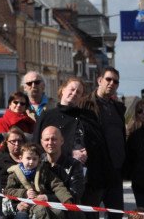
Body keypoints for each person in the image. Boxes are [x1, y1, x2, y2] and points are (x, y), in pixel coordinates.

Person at [35, 77, 113, 209]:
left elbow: (101, 145)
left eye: (79, 92)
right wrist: (70, 152)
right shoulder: (47, 116)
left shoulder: (89, 116)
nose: (74, 93)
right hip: (59, 180)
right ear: (63, 90)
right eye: (72, 89)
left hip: (91, 181)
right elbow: (37, 147)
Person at [3, 144, 74, 219]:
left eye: (34, 159)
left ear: (39, 159)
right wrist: (24, 193)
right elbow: (8, 191)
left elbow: (57, 185)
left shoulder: (44, 171)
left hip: (41, 202)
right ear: (21, 158)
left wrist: (66, 199)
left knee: (58, 212)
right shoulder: (14, 175)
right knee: (24, 215)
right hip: (23, 205)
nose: (31, 162)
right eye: (28, 158)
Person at [92, 67, 127, 211]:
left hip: (115, 169)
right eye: (108, 79)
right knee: (91, 213)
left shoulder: (118, 107)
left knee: (116, 213)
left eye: (116, 81)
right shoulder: (86, 104)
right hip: (95, 170)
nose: (112, 83)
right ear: (99, 80)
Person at [39, 126, 86, 207]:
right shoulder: (37, 162)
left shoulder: (74, 165)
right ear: (42, 142)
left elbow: (75, 195)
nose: (50, 143)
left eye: (54, 139)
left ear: (62, 141)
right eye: (47, 139)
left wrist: (48, 198)